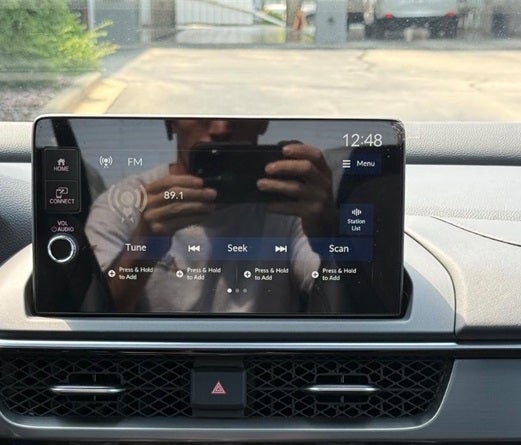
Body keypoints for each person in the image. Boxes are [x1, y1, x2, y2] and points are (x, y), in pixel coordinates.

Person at [84, 118, 337, 313]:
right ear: (171, 122)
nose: (220, 129)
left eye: (239, 111)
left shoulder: (292, 204)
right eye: (199, 111)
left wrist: (326, 232)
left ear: (262, 121)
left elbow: (338, 303)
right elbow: (94, 317)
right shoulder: (124, 204)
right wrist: (143, 245)